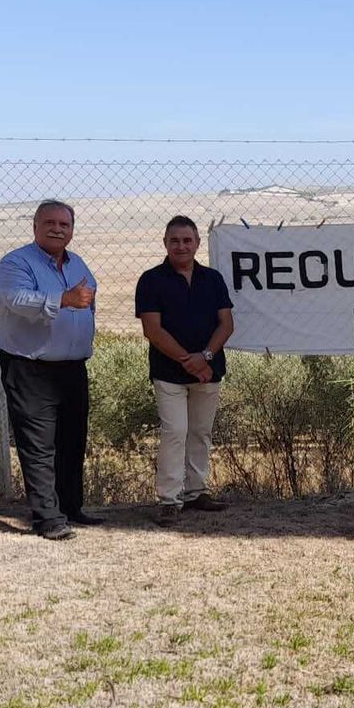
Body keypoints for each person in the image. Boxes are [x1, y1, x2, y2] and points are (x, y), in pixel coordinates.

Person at [0, 200, 99, 540]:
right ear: (35, 226)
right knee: (38, 445)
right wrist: (63, 299)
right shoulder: (15, 263)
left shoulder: (77, 262)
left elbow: (90, 300)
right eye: (50, 222)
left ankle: (71, 508)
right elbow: (16, 300)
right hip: (30, 367)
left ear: (72, 229)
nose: (58, 228)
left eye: (64, 224)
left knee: (72, 440)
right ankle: (47, 518)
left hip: (72, 368)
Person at [135, 215, 234, 527]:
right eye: (175, 240)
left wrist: (205, 357)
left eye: (187, 240)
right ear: (165, 243)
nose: (181, 246)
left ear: (197, 244)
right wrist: (188, 361)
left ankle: (196, 491)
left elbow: (227, 324)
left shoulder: (213, 280)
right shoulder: (151, 280)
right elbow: (152, 329)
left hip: (209, 369)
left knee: (200, 432)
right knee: (175, 431)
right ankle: (169, 498)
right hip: (169, 373)